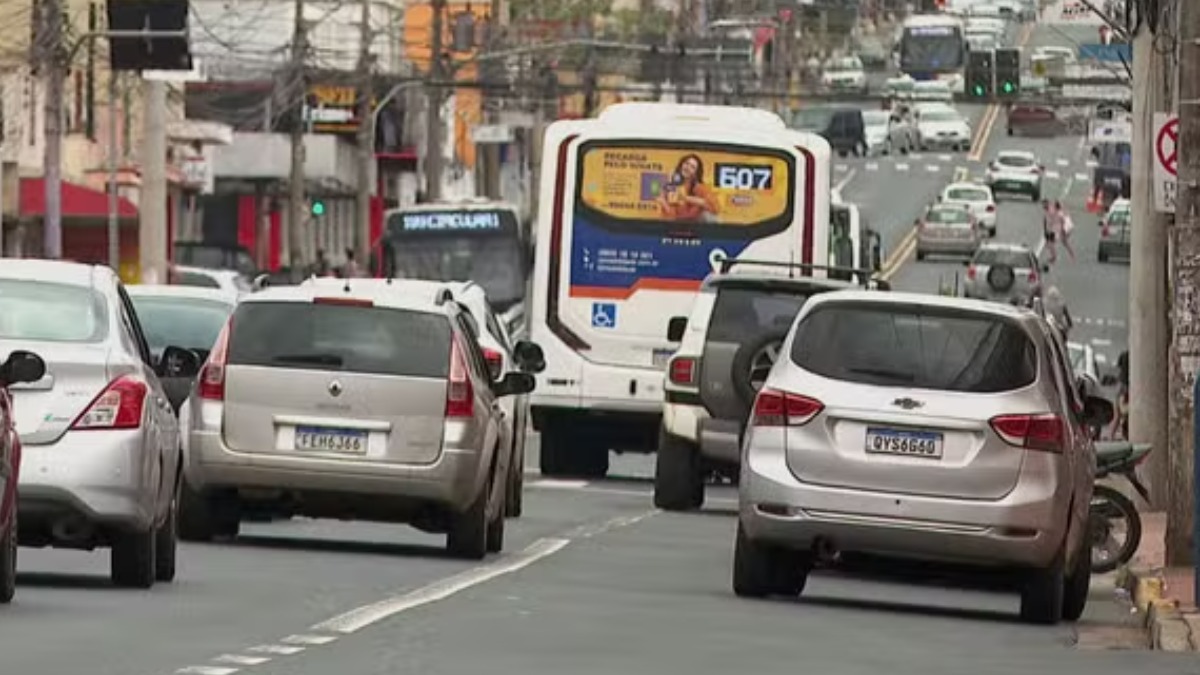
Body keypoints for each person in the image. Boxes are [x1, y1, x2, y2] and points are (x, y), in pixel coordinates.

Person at [657, 154, 719, 222]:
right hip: (676, 225)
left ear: (696, 173)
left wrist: (686, 198)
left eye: (692, 167)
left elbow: (715, 208)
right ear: (681, 165)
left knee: (710, 217)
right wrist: (664, 203)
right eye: (686, 163)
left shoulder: (700, 187)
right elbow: (671, 215)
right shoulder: (670, 185)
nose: (688, 168)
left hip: (696, 225)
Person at [1040, 200, 1058, 264]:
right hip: (1048, 230)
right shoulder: (1046, 211)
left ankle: (1054, 257)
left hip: (1052, 230)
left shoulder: (1051, 211)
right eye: (1043, 204)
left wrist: (1050, 231)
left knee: (1050, 244)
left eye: (1044, 204)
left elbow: (1052, 221)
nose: (1043, 206)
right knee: (1048, 244)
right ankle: (1053, 256)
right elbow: (1045, 220)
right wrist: (1045, 229)